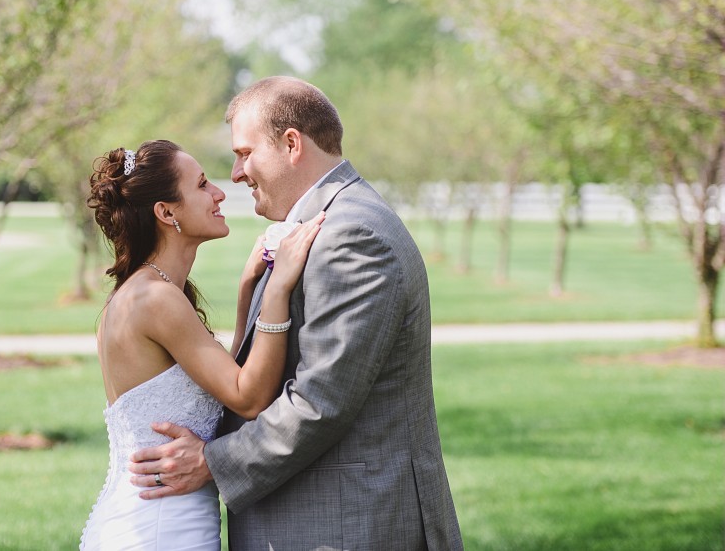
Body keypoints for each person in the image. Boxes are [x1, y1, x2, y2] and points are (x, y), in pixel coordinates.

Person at [127, 77, 464, 550]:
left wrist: (212, 461)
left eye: (245, 154)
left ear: (291, 144)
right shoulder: (317, 227)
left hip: (348, 524)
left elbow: (320, 402)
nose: (237, 174)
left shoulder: (351, 235)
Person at [79, 139, 324, 550]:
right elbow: (247, 397)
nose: (220, 192)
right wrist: (278, 288)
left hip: (150, 515)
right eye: (202, 185)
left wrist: (249, 289)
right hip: (162, 529)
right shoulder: (156, 300)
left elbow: (225, 383)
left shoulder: (143, 293)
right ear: (166, 212)